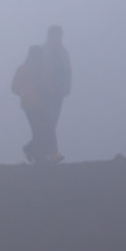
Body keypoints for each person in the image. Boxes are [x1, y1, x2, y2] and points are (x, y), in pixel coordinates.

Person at [13, 45, 50, 164]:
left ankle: (36, 154)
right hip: (30, 104)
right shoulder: (24, 70)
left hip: (40, 104)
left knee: (41, 130)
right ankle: (34, 153)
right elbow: (14, 87)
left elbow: (46, 86)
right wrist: (25, 93)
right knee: (38, 130)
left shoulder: (41, 70)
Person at [41, 26, 71, 163]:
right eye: (56, 35)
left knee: (53, 121)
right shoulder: (43, 50)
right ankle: (49, 152)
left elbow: (68, 70)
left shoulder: (63, 52)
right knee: (48, 121)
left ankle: (46, 151)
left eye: (60, 35)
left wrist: (67, 86)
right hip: (46, 91)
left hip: (58, 91)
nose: (58, 38)